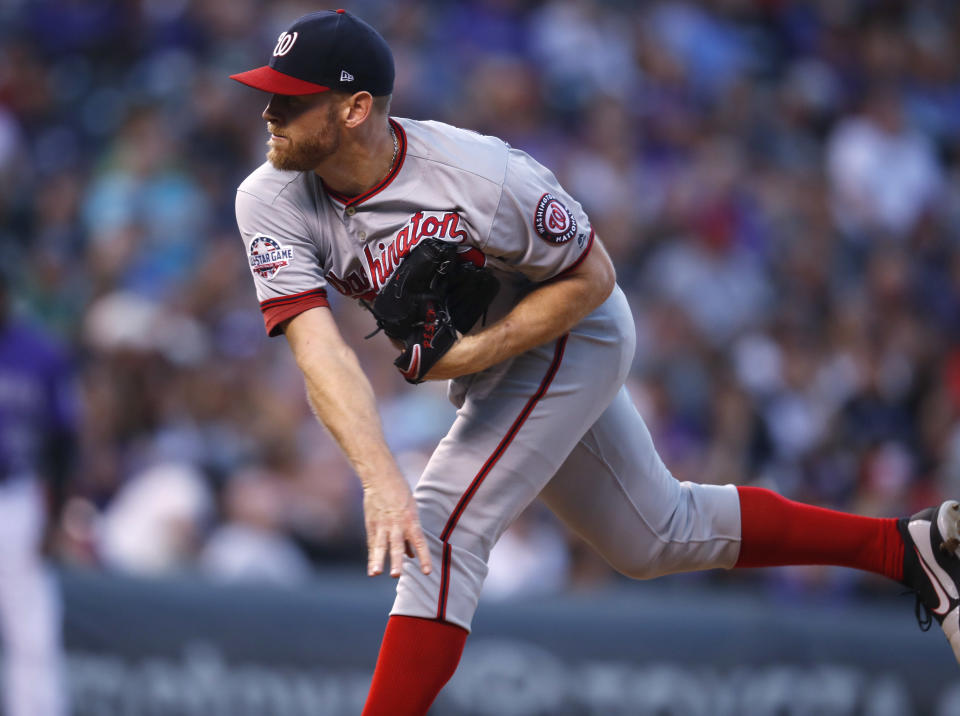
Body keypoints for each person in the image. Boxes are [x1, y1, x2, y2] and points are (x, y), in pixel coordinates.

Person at [230, 10, 960, 715]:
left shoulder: (482, 177)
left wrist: (480, 351)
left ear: (355, 108)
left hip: (573, 327)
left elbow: (592, 276)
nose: (269, 112)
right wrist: (378, 474)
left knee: (441, 526)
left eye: (291, 101)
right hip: (498, 361)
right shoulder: (269, 196)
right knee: (654, 535)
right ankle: (906, 549)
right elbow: (318, 349)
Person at [0, 276, 74, 716]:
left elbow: (64, 442)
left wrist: (55, 516)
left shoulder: (41, 354)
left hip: (16, 499)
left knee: (32, 631)